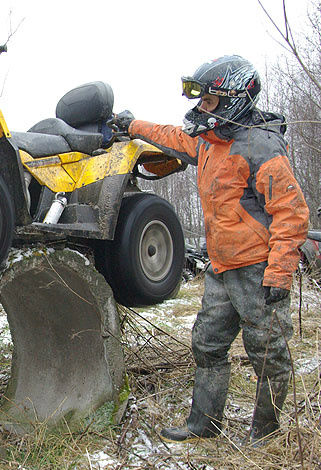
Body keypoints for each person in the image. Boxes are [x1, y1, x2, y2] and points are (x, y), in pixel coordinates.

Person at [113, 55, 309, 444]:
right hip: (221, 269)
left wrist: (280, 271)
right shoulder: (207, 142)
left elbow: (292, 213)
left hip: (258, 271)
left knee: (269, 356)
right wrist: (131, 125)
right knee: (207, 345)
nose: (202, 108)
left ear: (235, 98)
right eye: (200, 100)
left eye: (210, 101)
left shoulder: (261, 147)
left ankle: (265, 433)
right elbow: (170, 136)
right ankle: (204, 423)